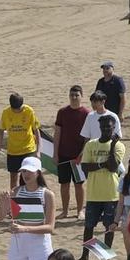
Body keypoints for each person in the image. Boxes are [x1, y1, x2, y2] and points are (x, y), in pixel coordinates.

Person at [79, 113, 124, 254]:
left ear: (114, 127)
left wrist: (112, 147)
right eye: (103, 127)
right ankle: (85, 255)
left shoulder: (119, 146)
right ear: (99, 127)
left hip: (111, 193)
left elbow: (112, 167)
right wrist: (101, 164)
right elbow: (85, 166)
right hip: (93, 193)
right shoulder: (91, 144)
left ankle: (106, 255)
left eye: (108, 127)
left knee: (109, 227)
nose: (106, 129)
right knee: (89, 226)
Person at [52, 85, 90, 220]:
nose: (74, 97)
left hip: (78, 156)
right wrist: (55, 153)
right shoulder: (62, 112)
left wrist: (82, 154)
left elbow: (88, 137)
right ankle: (65, 210)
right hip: (63, 154)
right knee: (64, 184)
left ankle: (80, 211)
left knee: (79, 184)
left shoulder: (86, 113)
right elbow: (57, 133)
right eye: (72, 95)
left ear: (81, 96)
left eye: (76, 95)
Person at [0, 93, 40, 174]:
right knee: (13, 177)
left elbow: (36, 130)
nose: (17, 112)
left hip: (28, 149)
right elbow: (1, 130)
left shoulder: (29, 111)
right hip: (13, 151)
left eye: (19, 109)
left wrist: (38, 151)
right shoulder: (6, 112)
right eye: (14, 110)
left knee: (28, 175)